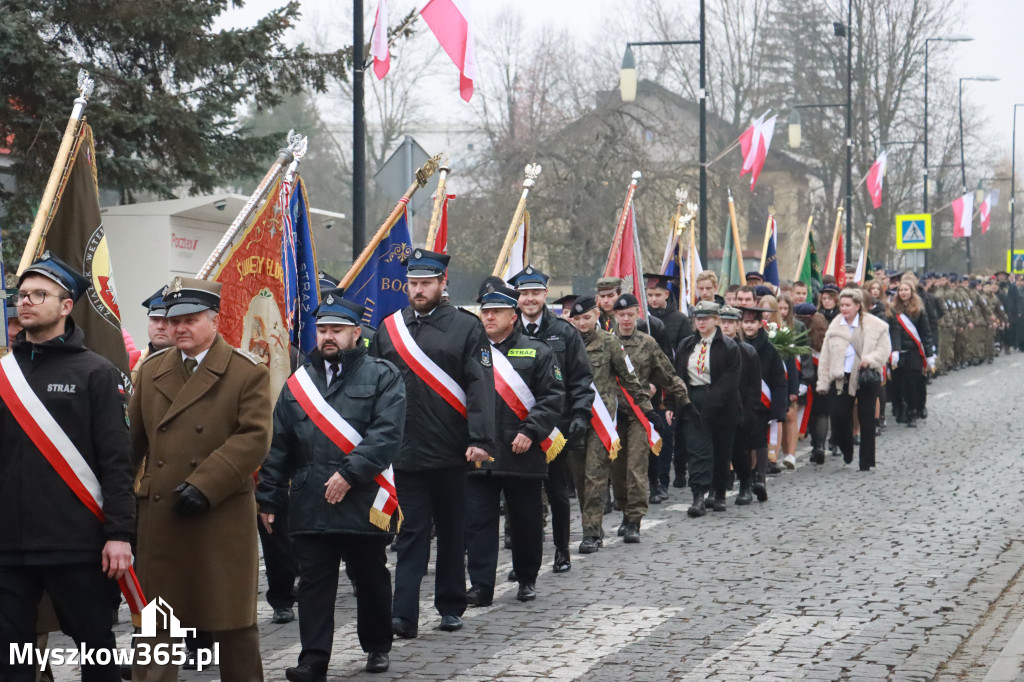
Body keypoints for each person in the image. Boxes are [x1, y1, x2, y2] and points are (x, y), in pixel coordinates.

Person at [0, 254, 135, 682]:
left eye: (39, 294)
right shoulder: (4, 373)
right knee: (11, 660)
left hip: (77, 543)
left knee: (96, 650)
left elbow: (116, 462)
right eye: (22, 295)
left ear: (65, 305)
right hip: (8, 545)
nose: (26, 302)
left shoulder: (96, 372)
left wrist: (118, 534)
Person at [130, 276, 272, 682]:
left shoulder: (246, 371)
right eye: (172, 321)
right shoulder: (153, 370)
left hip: (220, 514)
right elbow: (133, 442)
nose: (178, 329)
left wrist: (206, 484)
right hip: (162, 516)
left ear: (214, 319)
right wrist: (119, 502)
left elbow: (255, 437)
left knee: (233, 621)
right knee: (157, 624)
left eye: (190, 319)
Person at [256, 291, 404, 678]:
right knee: (314, 584)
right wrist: (269, 495)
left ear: (356, 333)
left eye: (337, 330)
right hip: (310, 499)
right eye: (322, 329)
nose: (328, 337)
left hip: (363, 496)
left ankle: (376, 645)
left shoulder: (383, 375)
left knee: (370, 576)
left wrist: (349, 473)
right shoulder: (298, 382)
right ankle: (313, 659)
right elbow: (280, 442)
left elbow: (386, 435)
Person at [369, 249, 495, 637]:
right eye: (413, 283)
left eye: (426, 283)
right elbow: (373, 385)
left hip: (452, 449)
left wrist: (481, 438)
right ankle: (403, 615)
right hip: (404, 451)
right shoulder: (389, 329)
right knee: (410, 535)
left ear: (443, 284)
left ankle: (451, 604)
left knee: (453, 531)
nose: (418, 290)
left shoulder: (466, 327)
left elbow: (481, 386)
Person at [466, 281, 563, 605]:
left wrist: (531, 431)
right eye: (486, 311)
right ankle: (481, 586)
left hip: (523, 453)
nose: (489, 317)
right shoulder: (471, 353)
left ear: (514, 315)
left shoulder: (538, 351)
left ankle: (526, 578)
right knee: (479, 524)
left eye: (497, 312)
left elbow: (552, 398)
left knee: (526, 522)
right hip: (481, 454)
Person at [510, 266, 592, 574]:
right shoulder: (509, 330)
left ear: (545, 295)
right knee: (520, 497)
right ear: (517, 297)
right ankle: (522, 559)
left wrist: (582, 415)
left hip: (556, 426)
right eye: (524, 293)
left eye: (535, 293)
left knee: (557, 492)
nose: (529, 299)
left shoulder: (565, 331)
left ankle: (561, 550)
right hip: (517, 427)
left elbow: (581, 377)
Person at [567, 295, 650, 553]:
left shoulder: (610, 342)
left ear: (597, 317)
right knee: (579, 478)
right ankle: (591, 523)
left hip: (601, 419)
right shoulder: (565, 343)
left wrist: (647, 409)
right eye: (577, 319)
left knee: (596, 474)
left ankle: (592, 532)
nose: (582, 323)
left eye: (587, 317)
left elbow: (629, 378)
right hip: (573, 418)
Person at [611, 293, 689, 539]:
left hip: (639, 413)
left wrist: (683, 399)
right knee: (617, 470)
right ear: (614, 316)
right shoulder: (606, 342)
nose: (625, 319)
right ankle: (624, 510)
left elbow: (667, 372)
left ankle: (634, 520)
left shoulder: (647, 342)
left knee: (636, 466)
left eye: (630, 314)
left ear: (637, 314)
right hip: (612, 414)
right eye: (621, 315)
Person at [675, 301, 740, 516]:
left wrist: (712, 402)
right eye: (697, 318)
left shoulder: (728, 346)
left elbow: (731, 379)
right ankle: (698, 496)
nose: (701, 322)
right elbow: (678, 375)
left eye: (705, 318)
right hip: (692, 400)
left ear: (715, 320)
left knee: (721, 450)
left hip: (721, 404)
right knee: (697, 451)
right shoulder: (686, 344)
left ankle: (719, 492)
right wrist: (678, 403)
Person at [817, 288, 891, 471]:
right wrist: (823, 381)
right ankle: (846, 447)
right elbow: (825, 355)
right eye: (841, 305)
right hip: (841, 377)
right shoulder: (835, 325)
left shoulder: (876, 325)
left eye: (848, 305)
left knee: (866, 418)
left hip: (865, 377)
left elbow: (884, 350)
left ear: (858, 306)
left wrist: (870, 360)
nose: (844, 309)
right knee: (839, 415)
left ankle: (866, 461)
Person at [739, 306, 788, 498]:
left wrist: (778, 409)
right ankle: (747, 477)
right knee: (744, 443)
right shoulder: (736, 345)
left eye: (752, 322)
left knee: (759, 440)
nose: (749, 326)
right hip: (742, 402)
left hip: (761, 404)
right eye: (746, 322)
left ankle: (760, 478)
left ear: (760, 324)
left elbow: (778, 380)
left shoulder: (769, 349)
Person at [716, 305, 761, 506]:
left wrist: (749, 411)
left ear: (737, 325)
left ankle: (745, 483)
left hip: (740, 408)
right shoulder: (712, 348)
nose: (726, 326)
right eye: (723, 322)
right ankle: (716, 489)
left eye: (730, 322)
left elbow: (753, 385)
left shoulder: (747, 351)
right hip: (717, 408)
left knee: (739, 451)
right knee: (717, 451)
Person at [889, 278, 934, 429]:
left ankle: (914, 411)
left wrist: (929, 355)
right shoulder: (893, 309)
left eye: (906, 290)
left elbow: (925, 333)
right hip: (899, 351)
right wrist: (894, 350)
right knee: (899, 383)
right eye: (900, 290)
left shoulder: (919, 310)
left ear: (911, 292)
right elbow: (893, 332)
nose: (903, 293)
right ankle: (903, 409)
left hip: (914, 351)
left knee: (914, 382)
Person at [794, 303, 831, 464]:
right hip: (823, 374)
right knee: (822, 413)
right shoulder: (823, 331)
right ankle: (820, 445)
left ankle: (814, 443)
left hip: (806, 375)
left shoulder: (798, 330)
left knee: (810, 412)